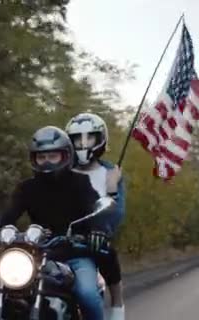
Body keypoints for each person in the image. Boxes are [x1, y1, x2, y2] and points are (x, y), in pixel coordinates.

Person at [0, 125, 109, 320]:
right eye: (41, 157)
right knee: (11, 290)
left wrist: (98, 231)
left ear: (65, 156)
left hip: (75, 254)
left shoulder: (80, 183)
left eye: (53, 156)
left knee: (87, 294)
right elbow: (8, 215)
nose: (46, 162)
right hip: (37, 257)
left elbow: (96, 212)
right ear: (34, 159)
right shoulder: (27, 188)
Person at [65, 113, 126, 320]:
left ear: (100, 139)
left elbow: (117, 213)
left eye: (88, 138)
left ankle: (117, 306)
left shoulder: (111, 172)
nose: (82, 144)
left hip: (97, 238)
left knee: (108, 253)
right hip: (64, 237)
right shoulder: (64, 171)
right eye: (77, 139)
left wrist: (111, 187)